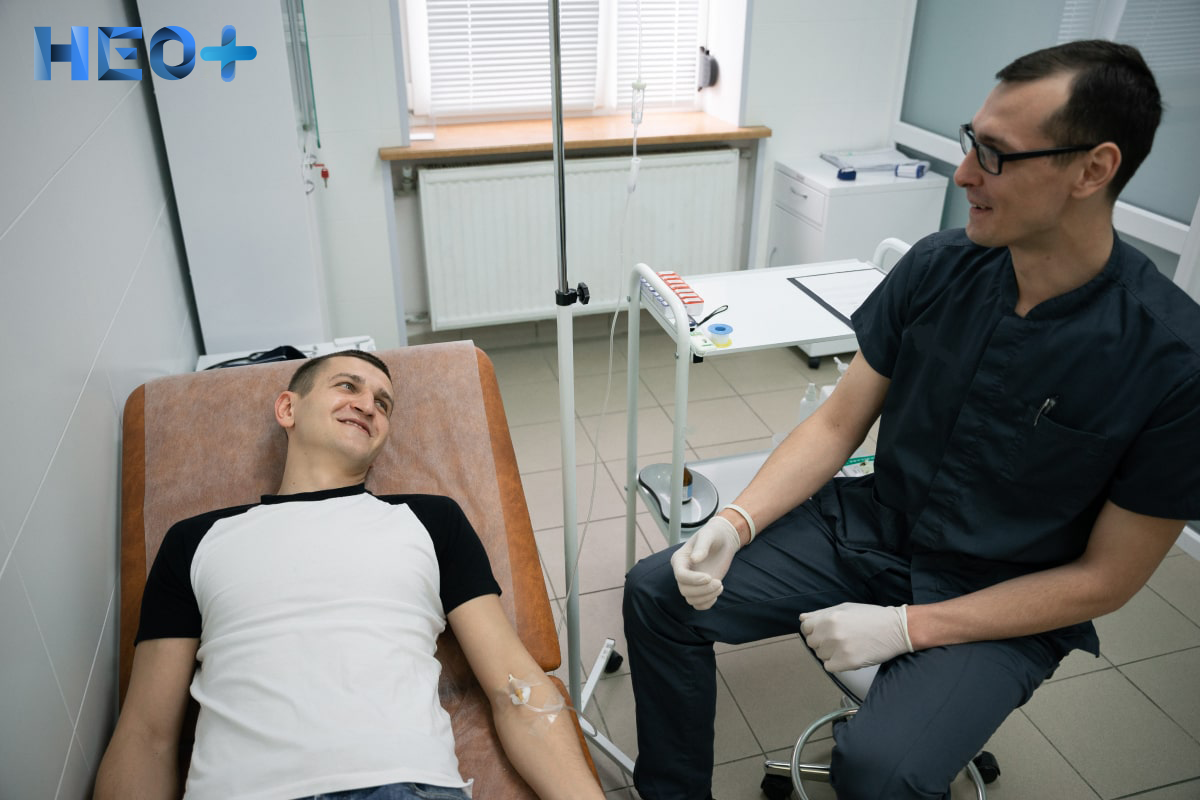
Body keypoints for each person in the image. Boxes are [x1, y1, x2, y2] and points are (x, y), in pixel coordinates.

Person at [623, 39, 1200, 800]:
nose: (963, 174)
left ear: (1092, 170)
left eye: (995, 155)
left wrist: (906, 628)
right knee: (658, 591)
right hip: (872, 528)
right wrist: (737, 521)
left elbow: (1107, 579)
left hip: (1006, 594)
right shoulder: (937, 267)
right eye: (969, 141)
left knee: (880, 770)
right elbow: (837, 426)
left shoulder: (1172, 360)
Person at [95, 350, 604, 800]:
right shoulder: (195, 540)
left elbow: (516, 690)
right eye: (348, 386)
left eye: (383, 403)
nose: (368, 405)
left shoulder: (431, 521)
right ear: (288, 409)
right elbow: (146, 733)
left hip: (403, 785)